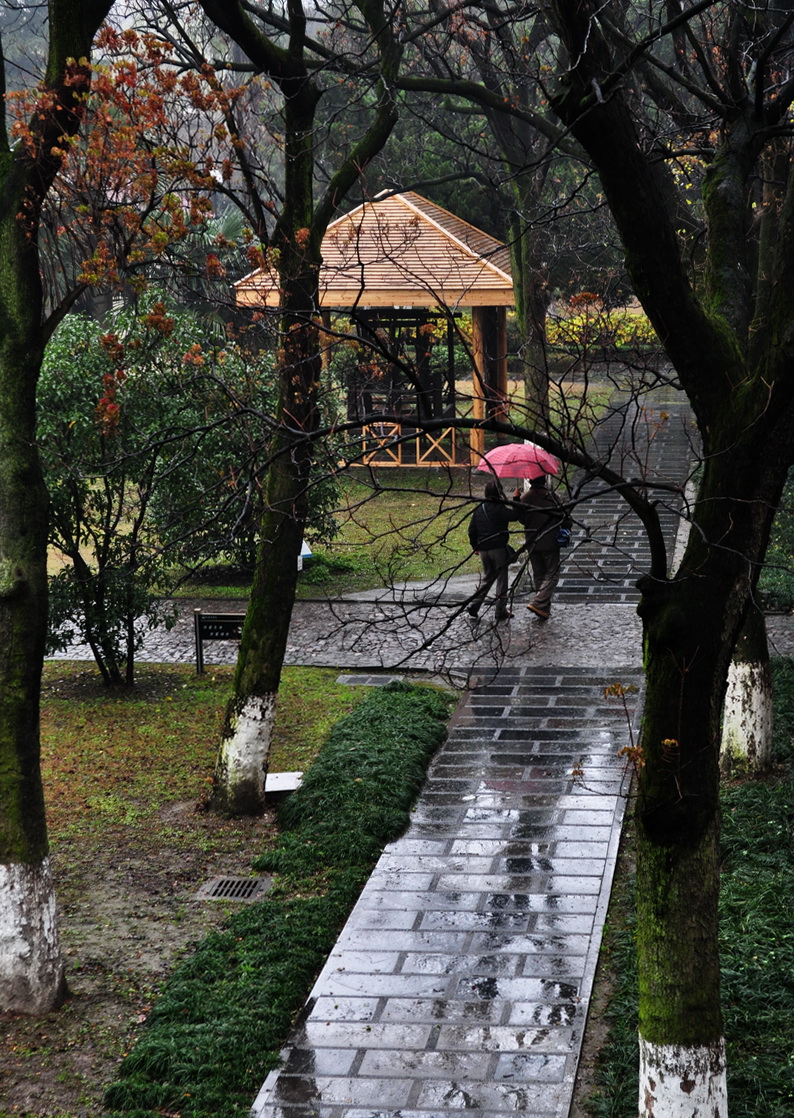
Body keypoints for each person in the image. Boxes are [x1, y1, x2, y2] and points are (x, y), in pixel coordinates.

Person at [516, 473, 571, 620]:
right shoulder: (552, 497)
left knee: (539, 574)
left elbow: (521, 519)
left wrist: (516, 499)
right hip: (550, 541)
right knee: (552, 573)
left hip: (532, 542)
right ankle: (539, 602)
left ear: (531, 481)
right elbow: (565, 517)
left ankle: (542, 609)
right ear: (545, 481)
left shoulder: (525, 498)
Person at [467, 480, 519, 622]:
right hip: (498, 549)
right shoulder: (499, 508)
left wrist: (475, 547)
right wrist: (516, 499)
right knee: (502, 580)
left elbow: (472, 531)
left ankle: (475, 605)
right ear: (499, 492)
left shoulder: (479, 508)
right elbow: (515, 516)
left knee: (488, 578)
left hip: (483, 549)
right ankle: (500, 610)